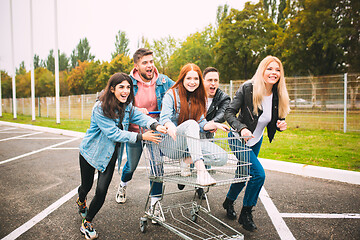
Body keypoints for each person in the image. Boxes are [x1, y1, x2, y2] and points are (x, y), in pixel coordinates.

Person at [76, 72, 167, 239]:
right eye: (121, 87)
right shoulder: (100, 108)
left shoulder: (127, 106)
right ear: (112, 89)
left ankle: (87, 222)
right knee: (86, 187)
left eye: (128, 87)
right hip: (91, 153)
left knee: (101, 191)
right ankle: (81, 199)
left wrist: (155, 125)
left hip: (110, 156)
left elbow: (139, 116)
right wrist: (141, 136)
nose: (125, 91)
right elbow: (114, 133)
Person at [147, 63, 229, 221]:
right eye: (189, 78)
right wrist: (170, 126)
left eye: (196, 78)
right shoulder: (172, 94)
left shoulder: (200, 98)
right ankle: (201, 172)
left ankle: (188, 160)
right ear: (182, 79)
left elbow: (202, 123)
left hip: (190, 146)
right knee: (191, 124)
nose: (192, 81)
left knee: (222, 157)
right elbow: (164, 118)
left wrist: (215, 124)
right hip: (172, 144)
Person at [222, 56, 290, 232]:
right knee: (258, 174)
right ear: (262, 70)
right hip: (238, 138)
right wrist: (242, 128)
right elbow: (229, 112)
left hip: (256, 140)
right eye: (270, 68)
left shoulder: (277, 94)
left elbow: (274, 118)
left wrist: (280, 124)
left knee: (244, 172)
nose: (273, 73)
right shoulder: (248, 88)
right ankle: (246, 213)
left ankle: (228, 202)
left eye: (277, 70)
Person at [115, 48, 174, 204]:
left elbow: (179, 92)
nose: (150, 66)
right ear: (136, 66)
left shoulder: (163, 81)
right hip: (135, 132)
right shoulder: (127, 82)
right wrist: (133, 110)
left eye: (151, 61)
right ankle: (123, 184)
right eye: (145, 62)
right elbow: (113, 99)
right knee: (131, 167)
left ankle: (155, 204)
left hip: (155, 131)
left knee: (157, 166)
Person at [196, 67, 231, 199]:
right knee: (196, 151)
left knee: (205, 156)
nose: (213, 83)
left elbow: (224, 112)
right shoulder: (195, 94)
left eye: (216, 80)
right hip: (194, 130)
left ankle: (200, 187)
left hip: (209, 131)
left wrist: (212, 123)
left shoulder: (223, 97)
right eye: (210, 80)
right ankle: (190, 171)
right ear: (203, 81)